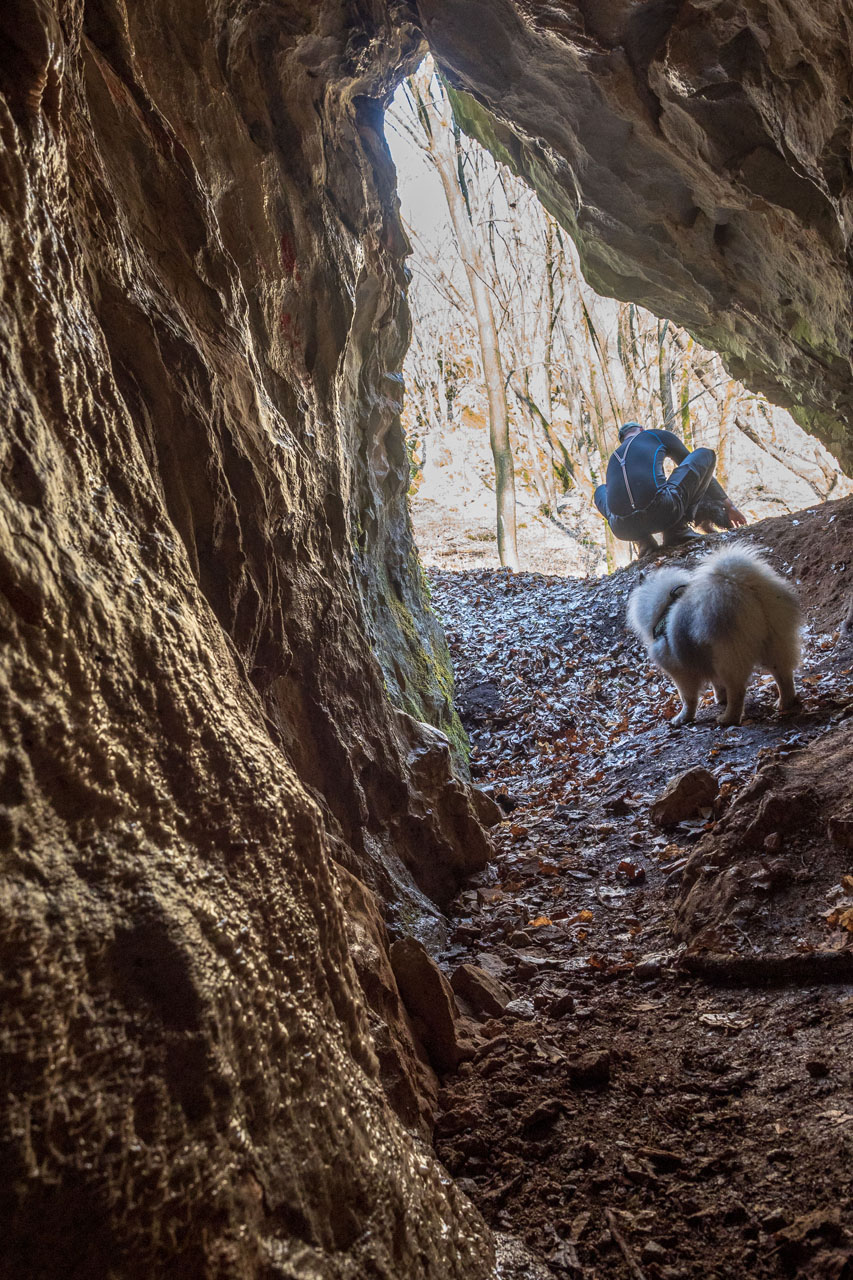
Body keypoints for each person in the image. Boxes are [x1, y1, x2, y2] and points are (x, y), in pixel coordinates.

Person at [594, 421, 746, 556]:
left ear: (622, 441)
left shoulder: (614, 456)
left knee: (600, 490)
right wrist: (729, 505)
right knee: (705, 454)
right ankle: (678, 530)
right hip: (663, 511)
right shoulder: (654, 435)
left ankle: (643, 543)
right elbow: (692, 466)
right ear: (641, 429)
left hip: (623, 528)